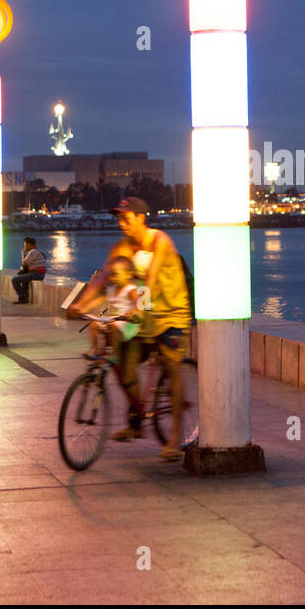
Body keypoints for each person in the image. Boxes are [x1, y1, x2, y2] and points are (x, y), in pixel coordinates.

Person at [71, 197, 191, 461]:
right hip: (140, 315)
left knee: (172, 366)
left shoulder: (159, 240)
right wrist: (81, 304)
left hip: (170, 314)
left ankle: (174, 439)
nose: (122, 223)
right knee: (124, 367)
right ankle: (135, 422)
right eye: (119, 218)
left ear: (141, 217)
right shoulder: (122, 246)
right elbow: (105, 276)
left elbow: (151, 278)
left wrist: (139, 308)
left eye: (126, 218)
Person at [86, 255, 143, 367]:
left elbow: (138, 303)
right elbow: (99, 299)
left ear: (128, 274)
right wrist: (84, 309)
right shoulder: (113, 289)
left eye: (116, 275)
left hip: (128, 323)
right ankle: (98, 351)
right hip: (115, 319)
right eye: (112, 275)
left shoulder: (130, 289)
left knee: (113, 325)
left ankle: (115, 355)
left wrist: (134, 311)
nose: (113, 278)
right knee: (94, 324)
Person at [11, 237, 48, 304]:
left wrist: (23, 254)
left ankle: (23, 297)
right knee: (22, 277)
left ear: (29, 244)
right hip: (37, 273)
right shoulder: (36, 251)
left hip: (37, 274)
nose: (24, 247)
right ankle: (23, 299)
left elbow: (24, 263)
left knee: (14, 280)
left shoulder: (33, 251)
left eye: (25, 245)